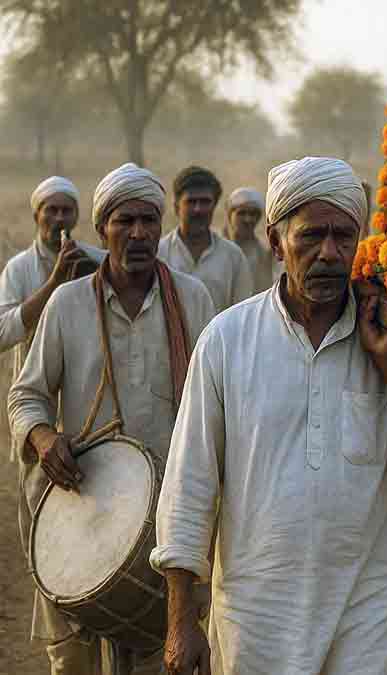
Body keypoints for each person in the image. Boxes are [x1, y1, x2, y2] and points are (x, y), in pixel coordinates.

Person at [151, 157, 387, 674]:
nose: (329, 253)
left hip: (367, 609)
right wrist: (182, 621)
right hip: (256, 613)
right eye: (311, 236)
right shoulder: (227, 341)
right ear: (276, 243)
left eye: (344, 236)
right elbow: (190, 484)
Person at [8, 163, 216, 674]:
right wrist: (42, 437)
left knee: (159, 658)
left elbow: (219, 405)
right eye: (125, 221)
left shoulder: (193, 299)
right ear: (102, 229)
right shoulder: (67, 303)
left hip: (169, 518)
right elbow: (25, 397)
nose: (139, 233)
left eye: (149, 220)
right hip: (85, 512)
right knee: (73, 664)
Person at [0, 178, 105, 427]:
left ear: (76, 216)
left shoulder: (98, 260)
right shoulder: (18, 269)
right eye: (51, 210)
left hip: (86, 386)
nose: (59, 218)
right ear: (37, 216)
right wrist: (55, 281)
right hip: (37, 388)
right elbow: (2, 333)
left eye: (66, 211)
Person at [157, 166, 254, 312]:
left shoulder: (233, 257)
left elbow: (243, 313)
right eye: (191, 202)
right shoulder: (159, 254)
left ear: (214, 205)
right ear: (176, 207)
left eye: (205, 202)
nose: (198, 209)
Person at [221, 186, 275, 293]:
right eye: (242, 213)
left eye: (253, 214)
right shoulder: (215, 248)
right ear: (229, 215)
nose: (248, 219)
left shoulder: (264, 253)